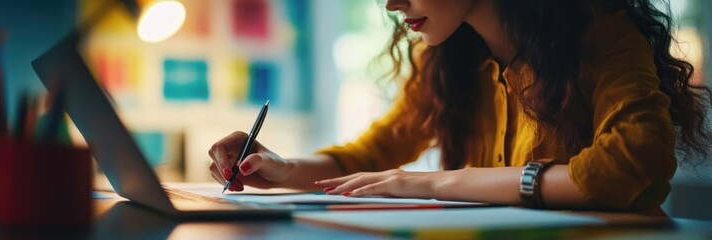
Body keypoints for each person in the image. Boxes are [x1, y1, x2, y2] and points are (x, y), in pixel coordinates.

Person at [208, 0, 712, 215]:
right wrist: (278, 167)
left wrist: (437, 182)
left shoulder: (600, 31)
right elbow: (370, 154)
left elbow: (632, 162)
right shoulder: (450, 61)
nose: (390, 3)